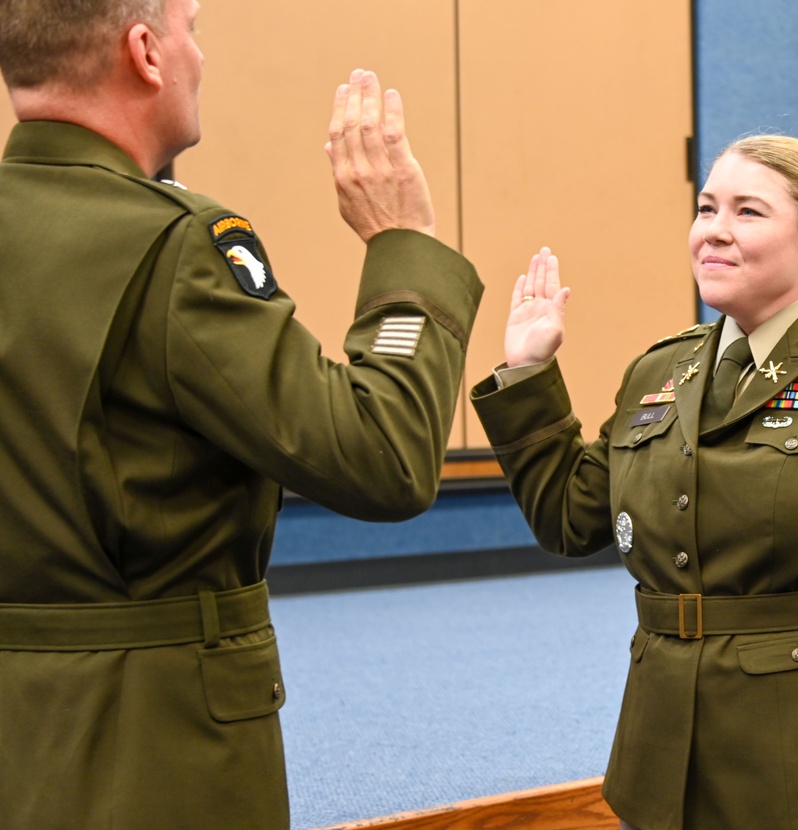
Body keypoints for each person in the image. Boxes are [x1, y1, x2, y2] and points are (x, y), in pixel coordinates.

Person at [0, 0, 482, 827]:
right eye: (193, 29)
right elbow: (381, 459)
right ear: (146, 52)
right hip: (153, 742)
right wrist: (406, 245)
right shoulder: (175, 246)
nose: (199, 56)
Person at [470, 135, 798, 830]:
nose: (715, 230)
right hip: (662, 754)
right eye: (707, 207)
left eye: (748, 212)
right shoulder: (661, 371)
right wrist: (529, 374)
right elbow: (569, 518)